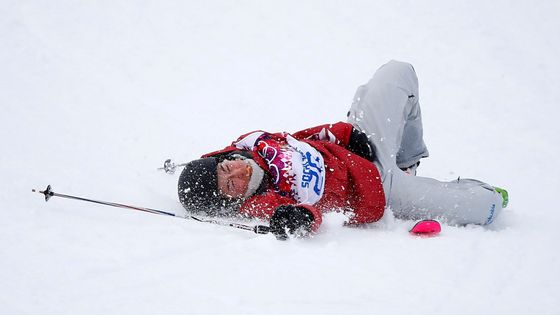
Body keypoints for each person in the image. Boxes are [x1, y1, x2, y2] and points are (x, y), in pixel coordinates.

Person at [177, 60, 508, 239]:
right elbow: (310, 214)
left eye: (225, 168)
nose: (237, 172)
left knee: (398, 72)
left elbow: (305, 136)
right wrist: (295, 217)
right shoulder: (260, 202)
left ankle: (406, 163)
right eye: (230, 185)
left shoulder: (252, 145)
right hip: (380, 190)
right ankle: (467, 192)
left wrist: (344, 134)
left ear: (222, 158)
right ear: (232, 200)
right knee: (486, 207)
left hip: (364, 146)